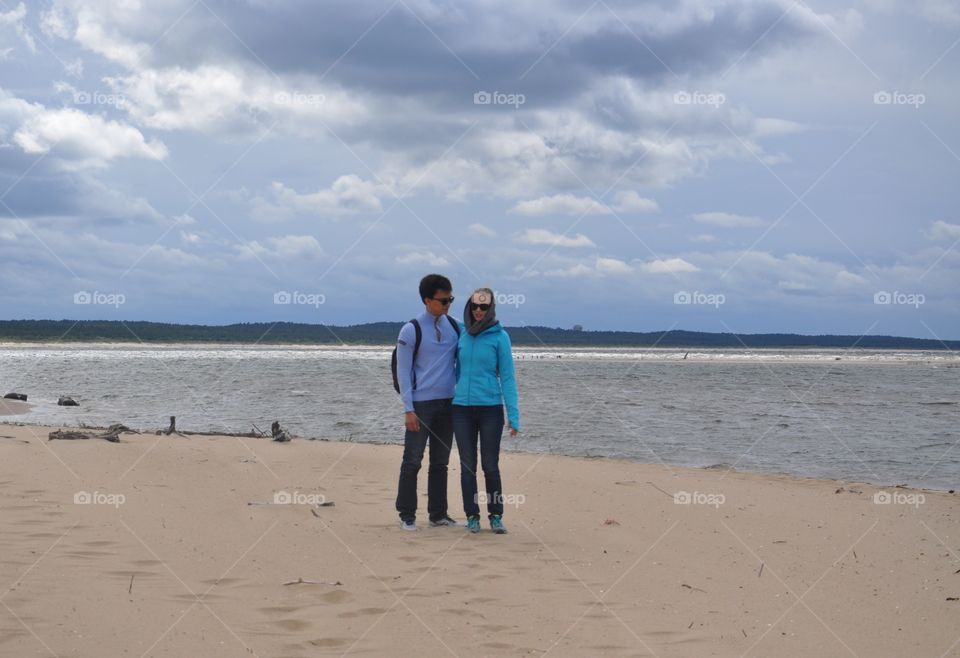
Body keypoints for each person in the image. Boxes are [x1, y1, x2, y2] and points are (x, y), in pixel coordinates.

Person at [394, 274, 461, 531]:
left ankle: (438, 514)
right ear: (427, 300)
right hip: (420, 406)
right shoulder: (411, 329)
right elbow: (403, 372)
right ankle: (407, 515)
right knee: (412, 460)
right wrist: (408, 408)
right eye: (443, 301)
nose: (447, 305)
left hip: (448, 404)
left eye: (450, 300)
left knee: (441, 462)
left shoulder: (454, 327)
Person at [452, 288, 520, 534]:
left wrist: (514, 416)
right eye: (474, 306)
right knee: (467, 465)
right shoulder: (461, 334)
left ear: (491, 308)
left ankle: (496, 516)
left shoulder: (500, 337)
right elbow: (454, 371)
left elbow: (508, 379)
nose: (478, 310)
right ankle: (472, 515)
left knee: (490, 465)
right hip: (461, 410)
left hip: (491, 408)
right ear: (469, 307)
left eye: (483, 306)